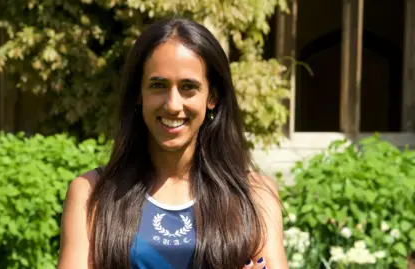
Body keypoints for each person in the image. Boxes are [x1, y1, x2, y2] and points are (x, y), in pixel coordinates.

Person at [57, 17, 289, 269]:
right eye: (158, 85)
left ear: (212, 96)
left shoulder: (255, 196)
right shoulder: (91, 194)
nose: (173, 105)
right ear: (139, 94)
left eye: (188, 87)